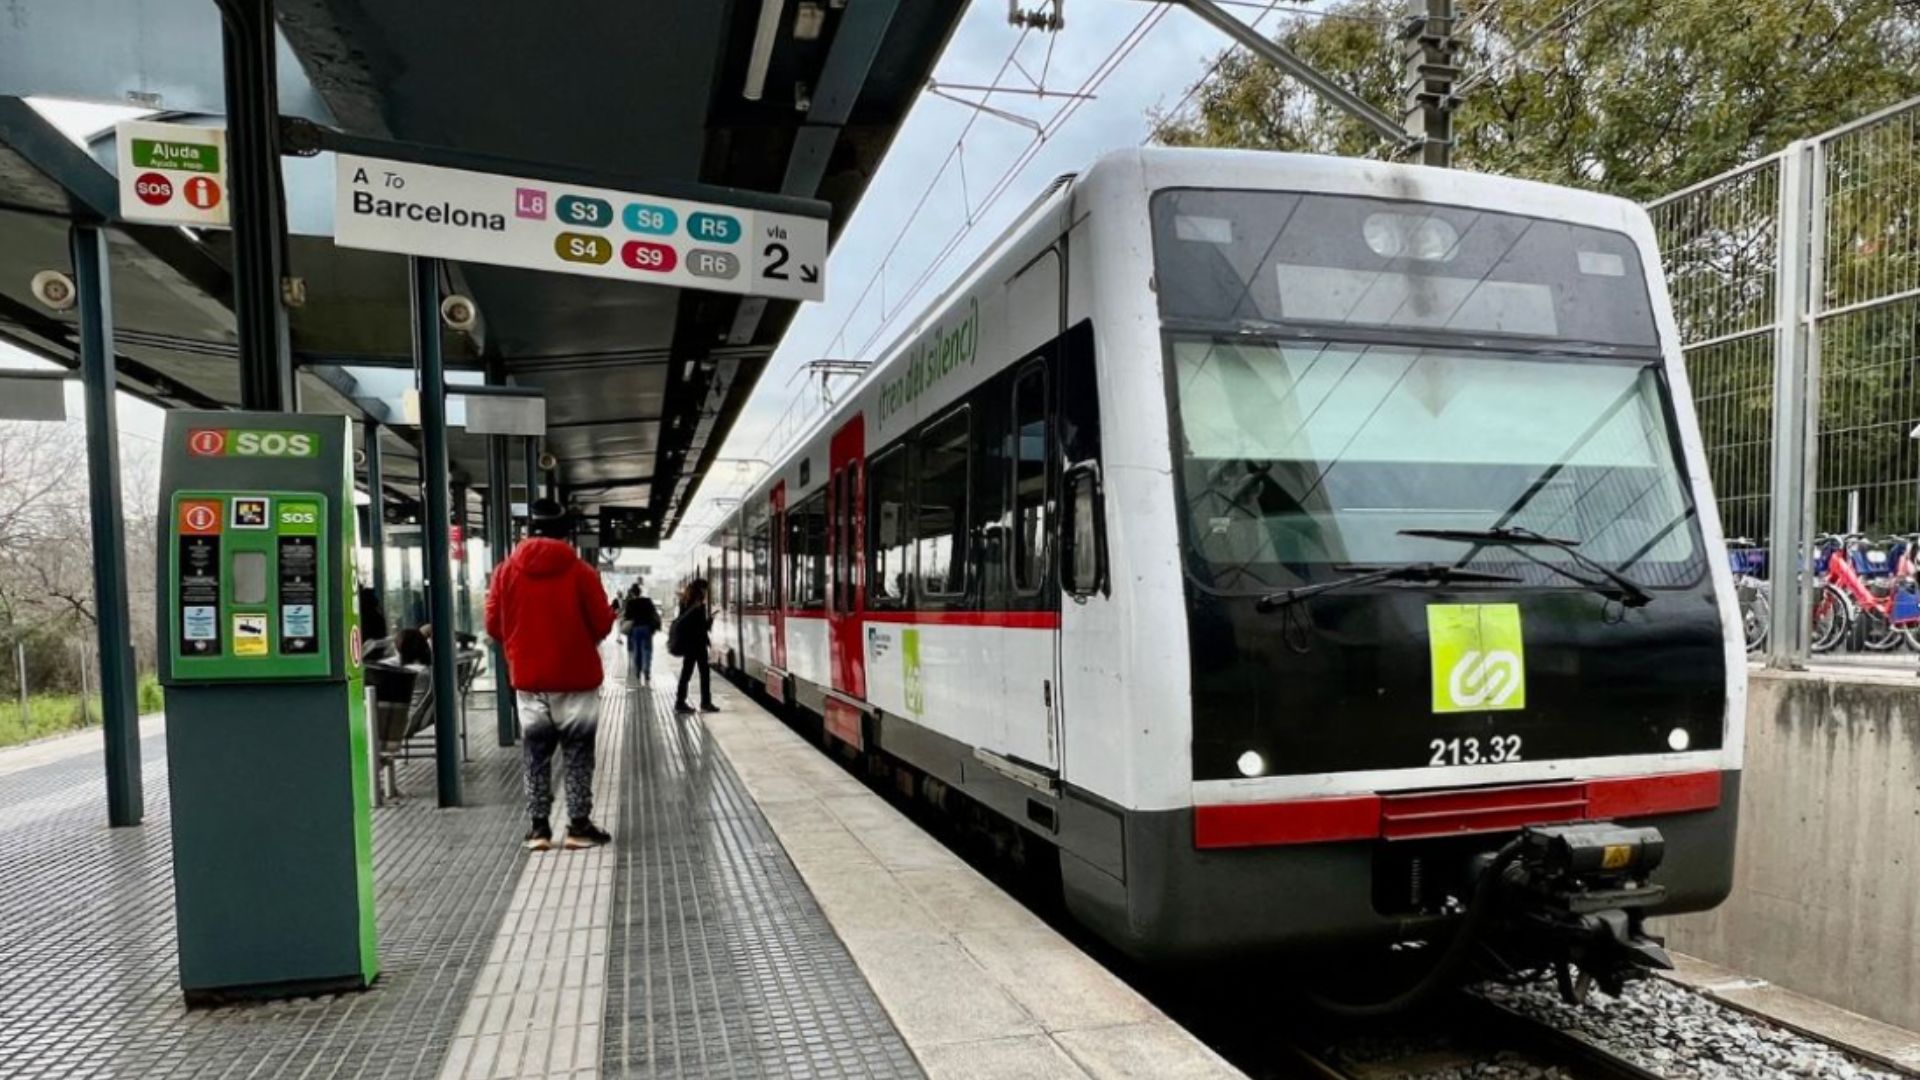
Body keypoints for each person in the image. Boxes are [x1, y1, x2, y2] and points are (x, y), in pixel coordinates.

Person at [485, 498, 617, 852]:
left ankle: (539, 830)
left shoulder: (504, 572)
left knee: (535, 754)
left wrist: (521, 645)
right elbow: (602, 623)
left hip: (529, 680)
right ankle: (578, 826)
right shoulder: (582, 573)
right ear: (566, 534)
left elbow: (492, 624)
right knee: (577, 753)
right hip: (577, 679)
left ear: (528, 531)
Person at [671, 578, 717, 715]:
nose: (706, 592)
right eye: (705, 589)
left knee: (686, 674)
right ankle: (705, 703)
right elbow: (702, 627)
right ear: (701, 590)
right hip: (698, 644)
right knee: (704, 674)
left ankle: (680, 702)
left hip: (689, 644)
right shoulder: (699, 605)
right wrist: (710, 620)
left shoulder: (684, 602)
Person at [621, 584, 662, 685]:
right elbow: (653, 612)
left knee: (637, 651)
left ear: (632, 593)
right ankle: (647, 671)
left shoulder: (630, 603)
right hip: (647, 628)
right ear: (640, 592)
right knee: (647, 650)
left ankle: (638, 672)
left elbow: (627, 616)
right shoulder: (647, 601)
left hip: (635, 629)